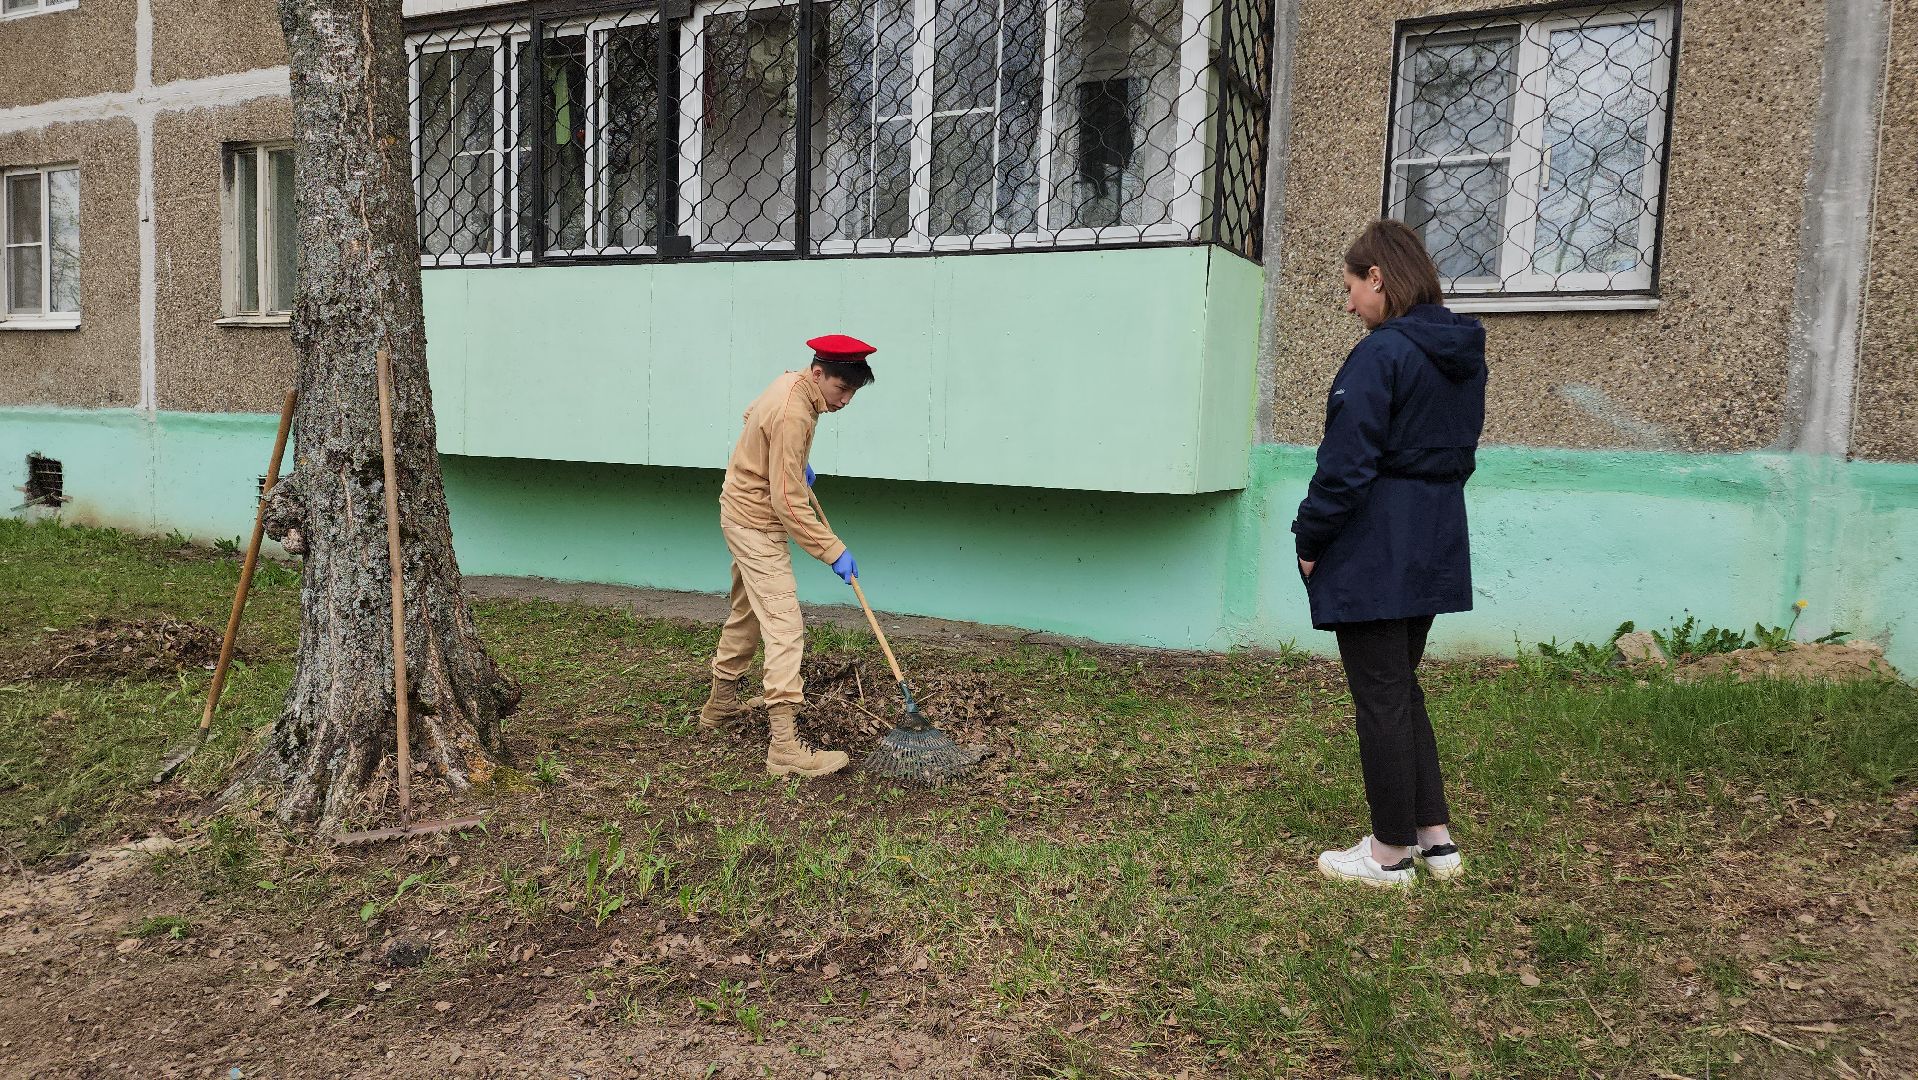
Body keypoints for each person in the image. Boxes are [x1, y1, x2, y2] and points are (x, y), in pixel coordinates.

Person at [1293, 220, 1487, 888]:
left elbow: (1346, 466)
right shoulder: (1459, 353)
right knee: (1399, 688)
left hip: (1377, 544)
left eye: (1351, 288)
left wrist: (1311, 539)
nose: (1348, 305)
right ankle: (1436, 842)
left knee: (1380, 696)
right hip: (1435, 538)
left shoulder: (1383, 354)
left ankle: (1387, 855)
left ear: (1378, 277)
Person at [696, 334, 876, 778]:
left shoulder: (788, 384)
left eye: (852, 392)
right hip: (756, 521)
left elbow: (750, 416)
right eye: (841, 389)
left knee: (748, 613)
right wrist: (831, 550)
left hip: (738, 510)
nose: (845, 400)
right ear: (818, 372)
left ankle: (719, 707)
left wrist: (787, 458)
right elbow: (788, 502)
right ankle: (784, 749)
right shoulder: (795, 409)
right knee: (785, 624)